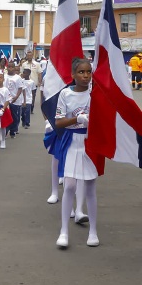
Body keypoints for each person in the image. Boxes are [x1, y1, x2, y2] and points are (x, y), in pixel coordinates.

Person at [55, 58, 99, 248]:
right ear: (73, 75)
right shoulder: (65, 94)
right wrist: (76, 118)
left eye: (89, 72)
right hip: (72, 141)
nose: (86, 76)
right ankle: (64, 231)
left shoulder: (95, 93)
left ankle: (93, 231)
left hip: (91, 143)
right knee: (70, 186)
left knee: (90, 187)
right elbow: (58, 122)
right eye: (81, 72)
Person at [5, 62, 24, 139]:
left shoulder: (17, 77)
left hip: (15, 100)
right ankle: (5, 131)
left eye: (12, 67)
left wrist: (16, 97)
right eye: (9, 67)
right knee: (6, 115)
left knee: (14, 116)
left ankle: (13, 131)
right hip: (6, 100)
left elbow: (20, 88)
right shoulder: (5, 76)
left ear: (14, 68)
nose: (10, 68)